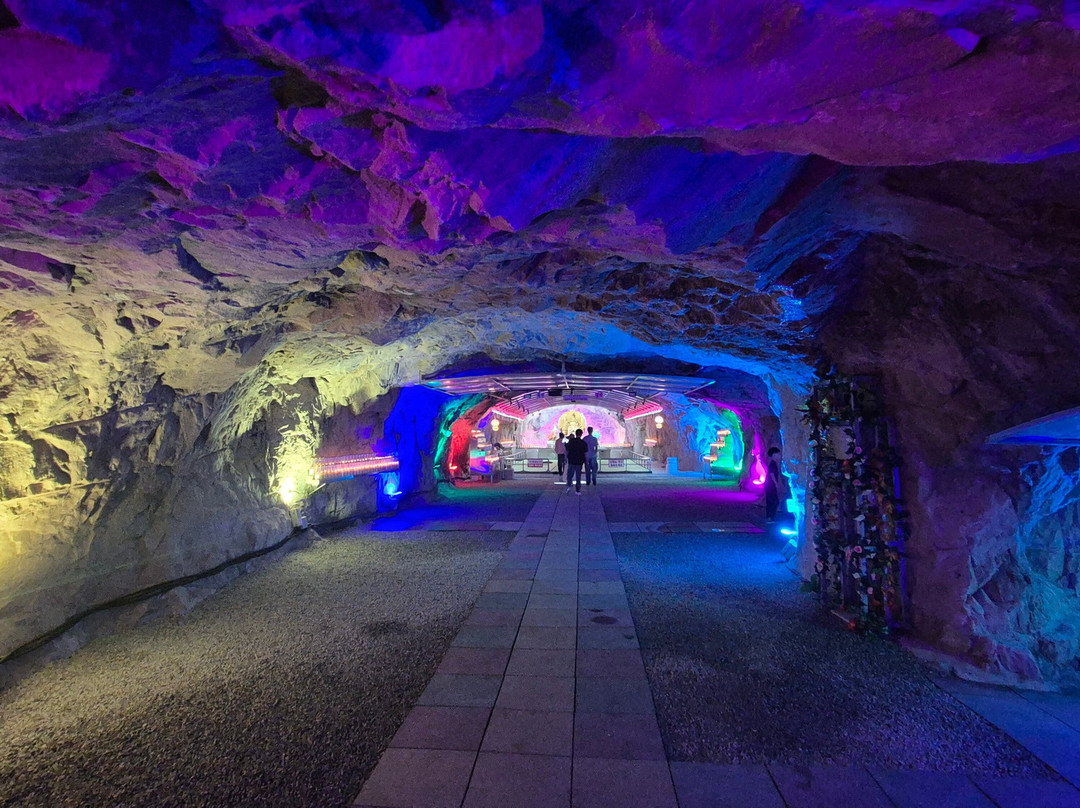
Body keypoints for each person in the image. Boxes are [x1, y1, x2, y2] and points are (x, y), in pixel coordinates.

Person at [564, 429, 587, 494]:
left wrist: (565, 458)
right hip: (579, 462)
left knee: (570, 474)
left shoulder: (571, 441)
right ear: (581, 434)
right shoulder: (583, 443)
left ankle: (569, 485)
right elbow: (585, 453)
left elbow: (567, 450)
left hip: (571, 460)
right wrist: (586, 461)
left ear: (576, 434)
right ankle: (577, 490)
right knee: (578, 476)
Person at [765, 446, 783, 521]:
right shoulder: (773, 464)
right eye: (778, 454)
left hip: (769, 485)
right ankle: (770, 517)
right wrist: (776, 483)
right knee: (772, 500)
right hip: (770, 485)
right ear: (773, 455)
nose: (779, 456)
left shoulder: (773, 463)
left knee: (771, 500)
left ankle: (770, 517)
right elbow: (771, 474)